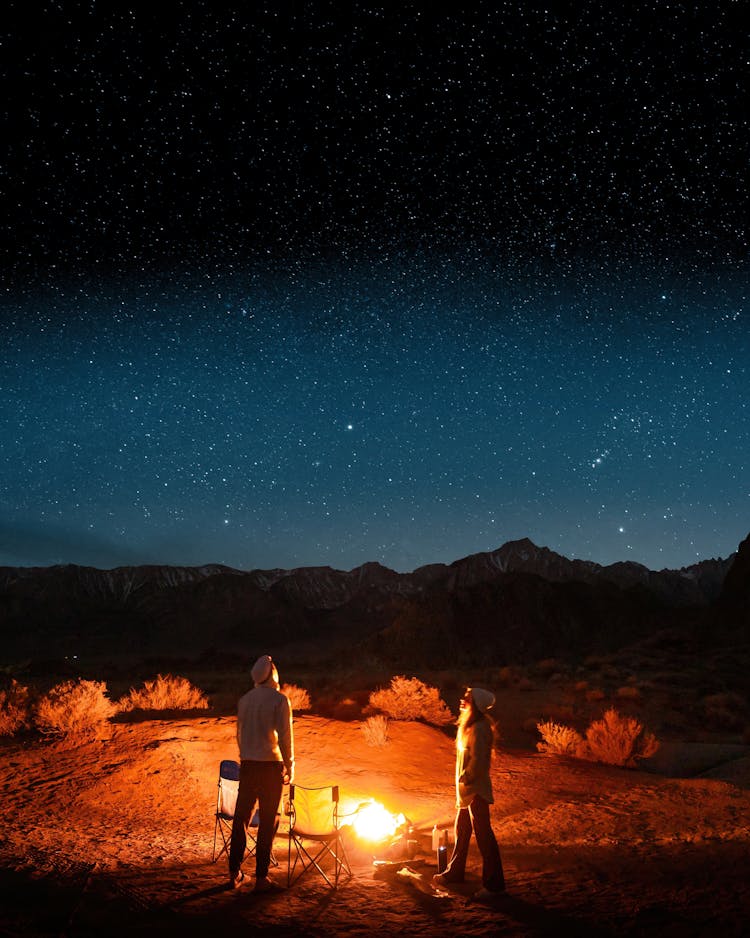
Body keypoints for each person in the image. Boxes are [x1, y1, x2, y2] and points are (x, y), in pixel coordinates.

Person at [228, 654, 294, 892]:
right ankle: (261, 878)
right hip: (270, 766)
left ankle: (233, 872)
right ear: (273, 674)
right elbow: (285, 737)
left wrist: (246, 754)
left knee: (241, 819)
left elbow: (239, 734)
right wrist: (291, 765)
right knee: (268, 821)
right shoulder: (280, 700)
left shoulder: (244, 700)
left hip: (248, 765)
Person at [433, 686, 505, 901]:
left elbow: (480, 760)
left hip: (475, 790)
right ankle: (455, 873)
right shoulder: (470, 725)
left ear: (475, 703)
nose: (462, 700)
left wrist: (467, 777)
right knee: (462, 830)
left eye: (466, 697)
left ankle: (495, 886)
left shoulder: (480, 728)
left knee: (484, 836)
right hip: (467, 791)